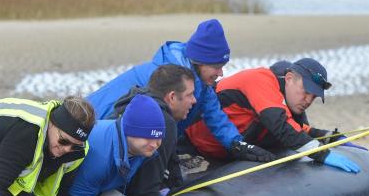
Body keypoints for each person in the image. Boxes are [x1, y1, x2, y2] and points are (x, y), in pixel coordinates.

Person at [87, 19, 274, 163]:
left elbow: (215, 115)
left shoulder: (198, 82)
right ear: (200, 62)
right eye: (217, 67)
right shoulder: (163, 81)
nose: (221, 73)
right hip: (97, 120)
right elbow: (120, 123)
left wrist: (237, 144)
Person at [185, 58, 360, 173]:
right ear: (289, 78)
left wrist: (331, 137)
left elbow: (299, 130)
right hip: (193, 145)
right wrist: (323, 155)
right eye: (306, 92)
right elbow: (279, 124)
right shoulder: (260, 80)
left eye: (314, 97)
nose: (308, 100)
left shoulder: (287, 101)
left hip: (229, 152)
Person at [43, 94, 167, 196]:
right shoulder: (101, 157)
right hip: (67, 194)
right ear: (129, 132)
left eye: (158, 138)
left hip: (98, 187)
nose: (154, 144)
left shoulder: (143, 150)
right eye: (147, 137)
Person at [110, 64, 197, 196]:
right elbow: (145, 191)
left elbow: (170, 162)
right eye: (190, 94)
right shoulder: (163, 122)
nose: (194, 100)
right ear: (172, 97)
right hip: (105, 192)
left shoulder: (134, 101)